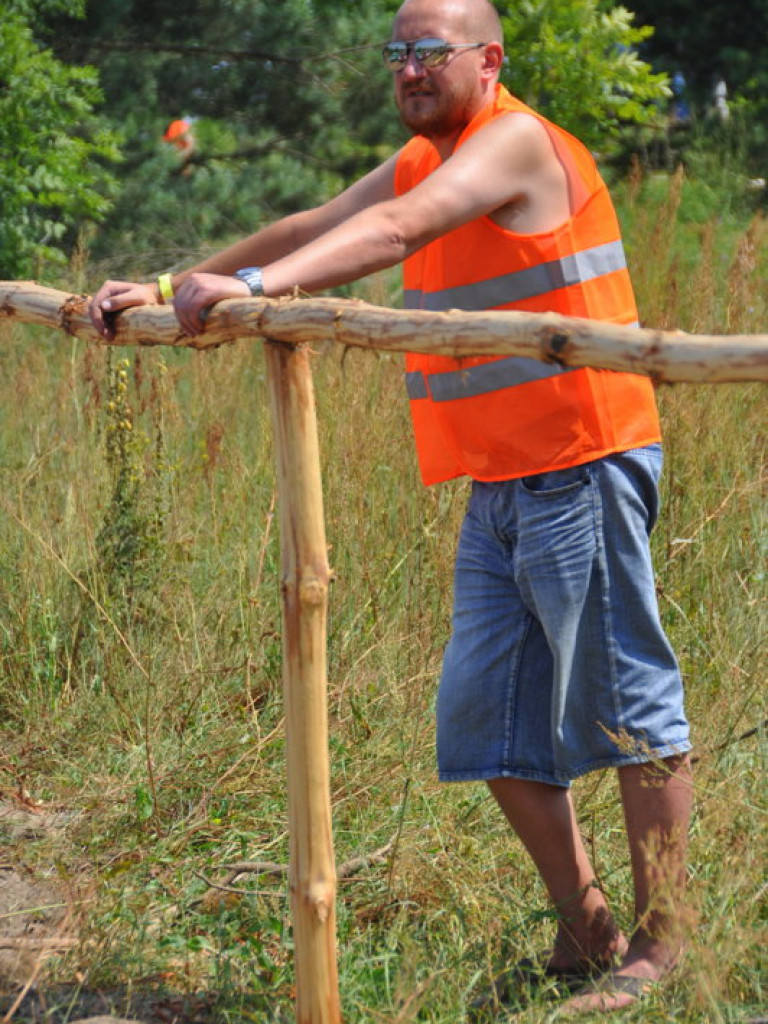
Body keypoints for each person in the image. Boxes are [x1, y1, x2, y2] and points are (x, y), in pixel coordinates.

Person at [90, 0, 693, 1014]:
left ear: (488, 58)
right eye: (397, 52)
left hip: (584, 459)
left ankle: (667, 946)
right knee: (485, 720)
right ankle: (588, 927)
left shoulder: (511, 142)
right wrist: (173, 279)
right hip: (502, 479)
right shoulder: (428, 153)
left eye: (430, 52)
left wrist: (248, 284)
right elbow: (323, 223)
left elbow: (393, 233)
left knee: (624, 709)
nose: (409, 70)